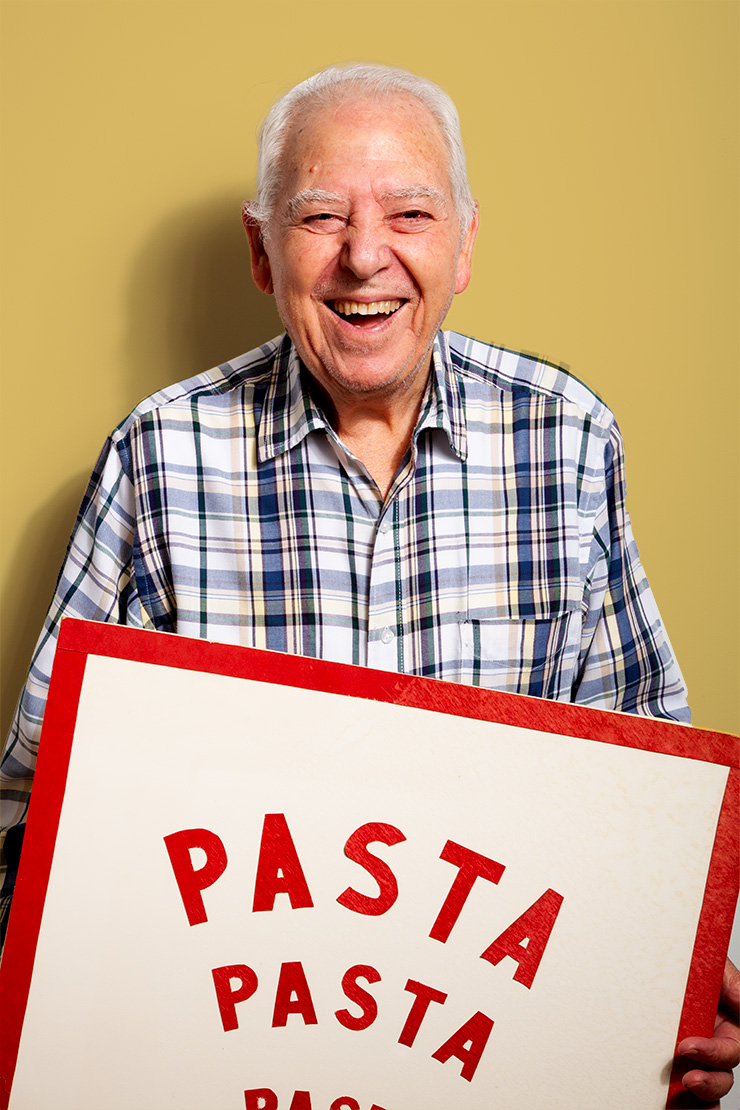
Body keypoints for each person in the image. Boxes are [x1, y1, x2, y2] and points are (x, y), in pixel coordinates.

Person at [0, 62, 736, 1101]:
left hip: (497, 1053)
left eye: (408, 212)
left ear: (464, 242)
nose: (363, 257)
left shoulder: (564, 438)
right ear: (261, 251)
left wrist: (678, 977)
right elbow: (36, 798)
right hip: (226, 1052)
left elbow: (645, 789)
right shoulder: (158, 455)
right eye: (317, 217)